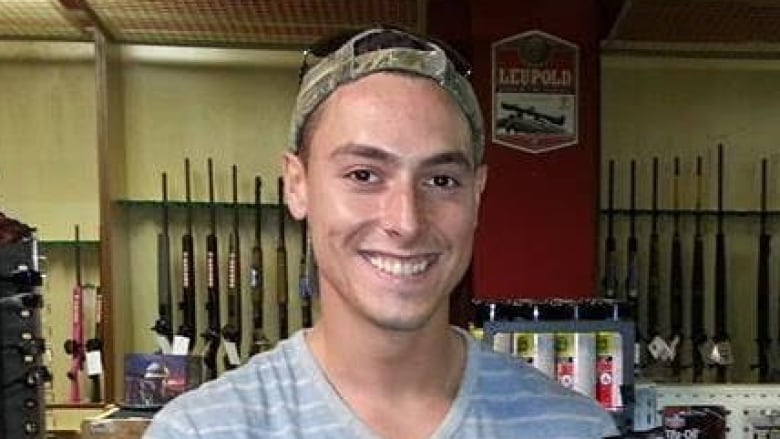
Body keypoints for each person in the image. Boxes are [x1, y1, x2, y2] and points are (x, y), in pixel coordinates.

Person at [144, 26, 619, 439]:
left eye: (441, 180)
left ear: (478, 194)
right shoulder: (202, 430)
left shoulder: (574, 427)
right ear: (297, 185)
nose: (406, 221)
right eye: (364, 175)